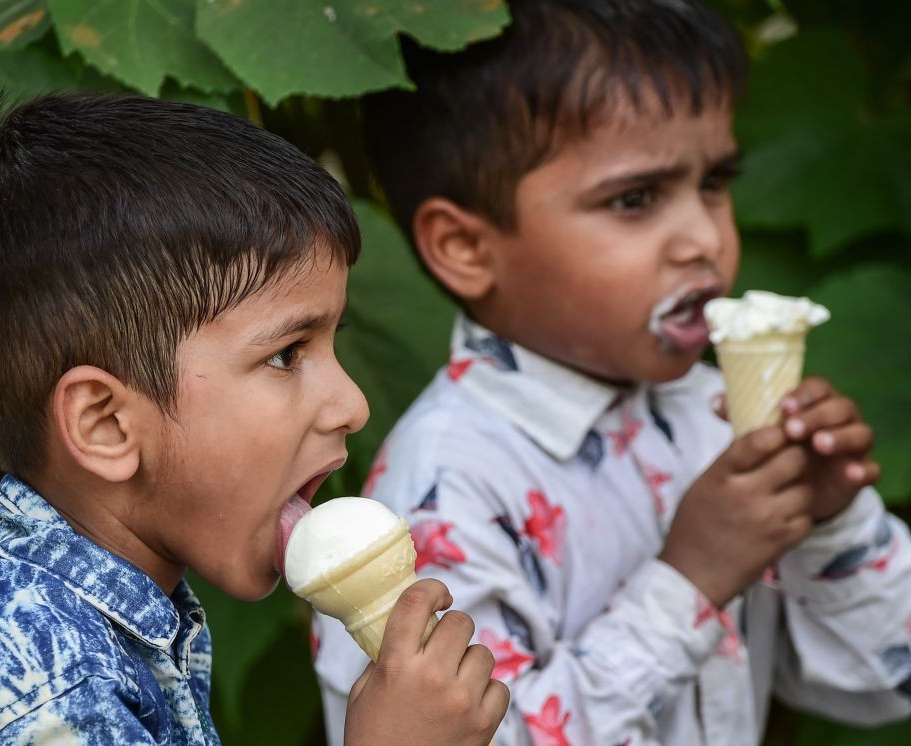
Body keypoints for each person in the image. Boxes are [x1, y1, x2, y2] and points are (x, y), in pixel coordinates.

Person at [314, 1, 911, 743]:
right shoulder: (440, 496)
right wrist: (689, 581)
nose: (705, 238)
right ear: (465, 248)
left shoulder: (709, 413)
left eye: (715, 183)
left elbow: (887, 679)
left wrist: (830, 525)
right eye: (635, 199)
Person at [0, 93, 508, 745]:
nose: (353, 404)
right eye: (287, 353)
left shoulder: (98, 606)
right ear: (106, 426)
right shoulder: (48, 689)